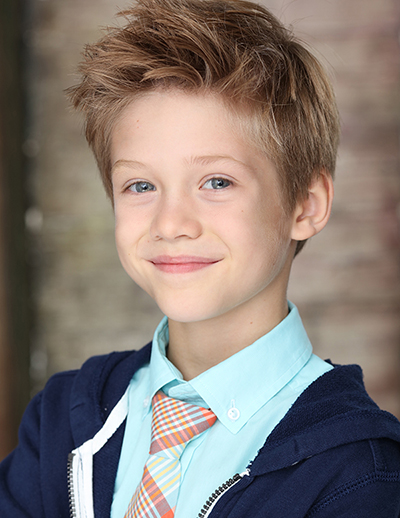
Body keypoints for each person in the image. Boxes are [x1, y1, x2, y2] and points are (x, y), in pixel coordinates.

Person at [1, 0, 400, 516]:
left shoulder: (358, 473)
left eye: (217, 182)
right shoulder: (61, 420)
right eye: (141, 185)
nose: (171, 223)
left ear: (306, 204)